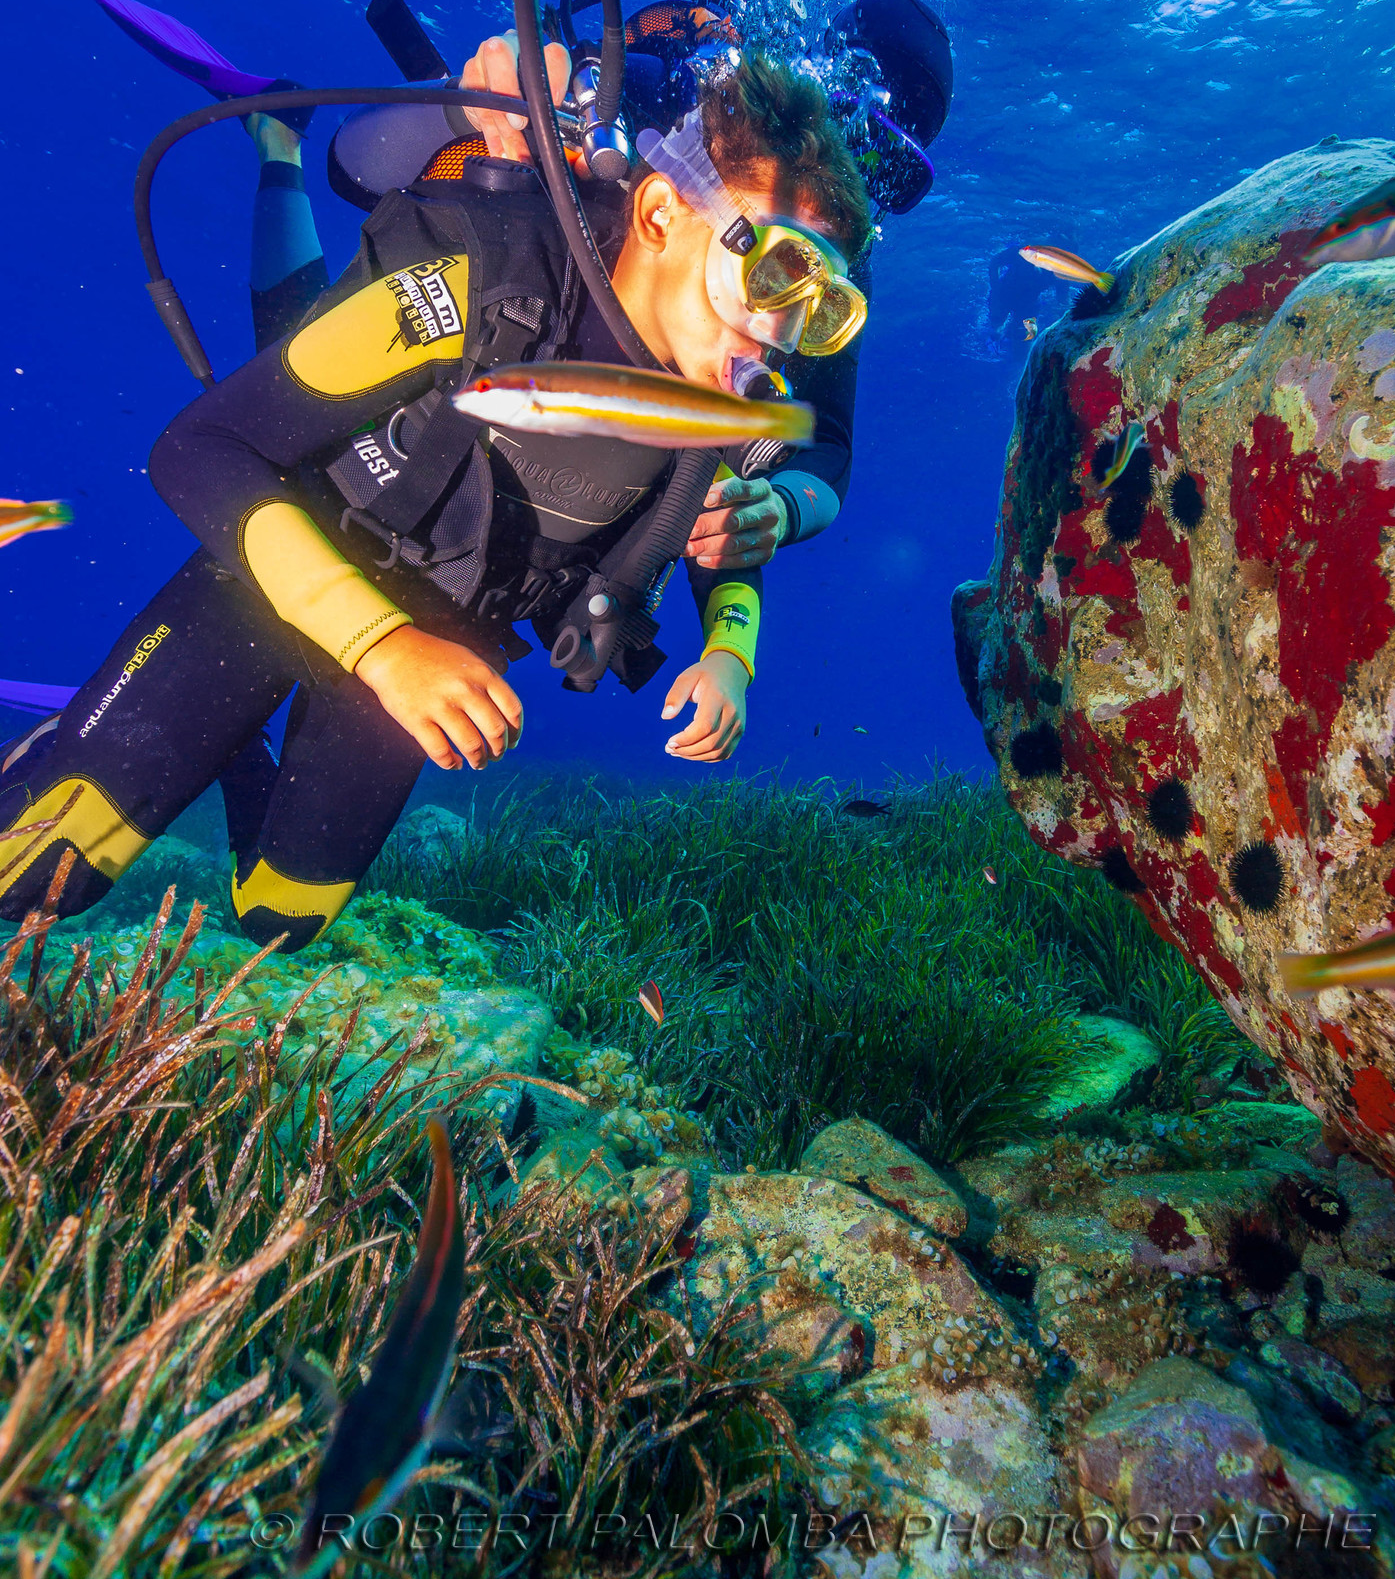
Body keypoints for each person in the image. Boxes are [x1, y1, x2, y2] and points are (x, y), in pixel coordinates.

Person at [0, 54, 872, 954]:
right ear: (658, 214)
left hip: (444, 633)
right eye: (777, 274)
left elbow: (722, 534)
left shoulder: (716, 395)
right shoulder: (476, 282)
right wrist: (382, 646)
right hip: (286, 569)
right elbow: (197, 448)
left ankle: (234, 750)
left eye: (824, 311)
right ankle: (274, 150)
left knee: (282, 916)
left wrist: (731, 654)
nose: (782, 332)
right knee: (37, 863)